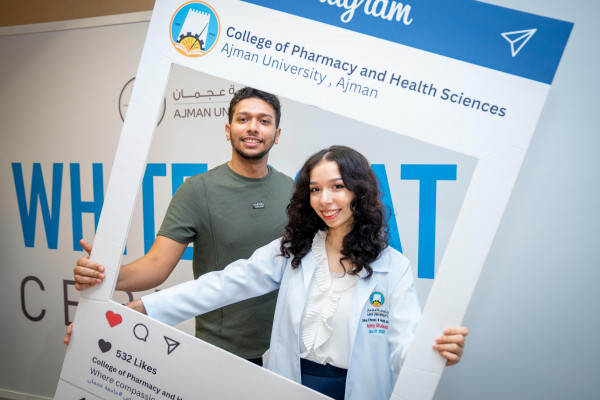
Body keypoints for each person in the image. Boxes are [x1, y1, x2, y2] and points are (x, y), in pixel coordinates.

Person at [126, 145, 468, 400]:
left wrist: (434, 352)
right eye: (315, 189)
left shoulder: (392, 266)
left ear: (358, 191)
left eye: (336, 186)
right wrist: (146, 308)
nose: (325, 199)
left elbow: (403, 342)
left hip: (355, 390)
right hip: (288, 384)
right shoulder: (293, 250)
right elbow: (224, 285)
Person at [65, 87, 294, 365]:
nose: (253, 128)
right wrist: (104, 275)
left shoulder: (293, 191)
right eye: (243, 119)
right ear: (228, 129)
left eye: (264, 121)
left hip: (285, 350)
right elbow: (157, 265)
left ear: (277, 135)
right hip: (222, 354)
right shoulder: (198, 190)